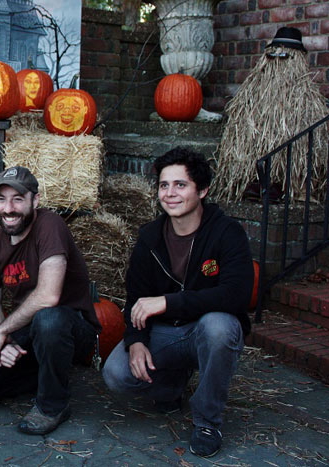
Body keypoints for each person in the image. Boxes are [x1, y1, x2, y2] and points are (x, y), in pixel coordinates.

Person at [102, 147, 254, 458]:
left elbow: (236, 295)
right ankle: (171, 384)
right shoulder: (150, 238)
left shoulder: (227, 233)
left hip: (205, 330)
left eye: (180, 185)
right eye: (163, 185)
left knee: (219, 327)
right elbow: (136, 296)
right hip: (166, 335)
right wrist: (136, 341)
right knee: (115, 373)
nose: (170, 194)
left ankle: (208, 421)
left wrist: (168, 303)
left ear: (202, 190)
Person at [0, 166, 100, 435]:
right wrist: (2, 341)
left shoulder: (49, 225)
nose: (8, 208)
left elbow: (48, 296)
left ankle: (52, 405)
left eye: (18, 199)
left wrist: (5, 330)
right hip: (30, 329)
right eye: (1, 199)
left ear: (35, 200)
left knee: (49, 318)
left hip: (71, 326)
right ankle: (44, 374)